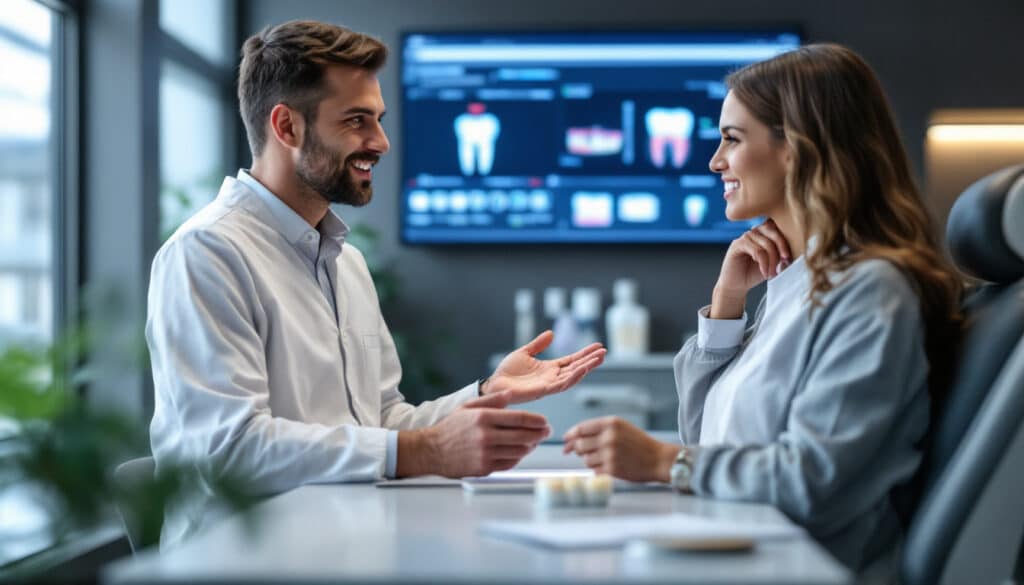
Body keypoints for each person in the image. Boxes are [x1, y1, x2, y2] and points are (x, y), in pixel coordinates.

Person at [146, 20, 605, 547]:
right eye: (357, 121)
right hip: (239, 560)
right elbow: (229, 450)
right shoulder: (207, 253)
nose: (381, 142)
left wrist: (485, 393)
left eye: (379, 120)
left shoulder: (348, 263)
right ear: (287, 126)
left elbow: (383, 419)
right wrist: (424, 452)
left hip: (341, 545)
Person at [563, 43, 963, 571]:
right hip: (743, 549)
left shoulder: (870, 291)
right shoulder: (798, 282)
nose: (715, 161)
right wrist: (726, 305)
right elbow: (705, 437)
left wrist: (662, 462)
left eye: (732, 139)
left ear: (798, 148)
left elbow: (812, 480)